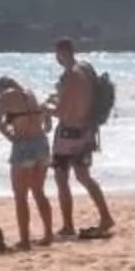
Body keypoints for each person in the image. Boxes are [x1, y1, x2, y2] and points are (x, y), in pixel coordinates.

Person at [49, 39, 116, 237]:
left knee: (62, 179)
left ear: (62, 53)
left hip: (68, 133)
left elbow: (61, 111)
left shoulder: (70, 77)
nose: (57, 59)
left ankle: (68, 225)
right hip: (87, 130)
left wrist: (43, 109)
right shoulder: (86, 69)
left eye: (57, 55)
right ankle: (105, 216)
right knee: (84, 177)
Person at [0, 77, 57, 247]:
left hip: (24, 145)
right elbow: (47, 122)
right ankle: (48, 234)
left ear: (2, 88)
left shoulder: (6, 96)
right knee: (38, 191)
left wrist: (10, 136)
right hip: (41, 143)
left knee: (20, 195)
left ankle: (25, 240)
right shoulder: (31, 93)